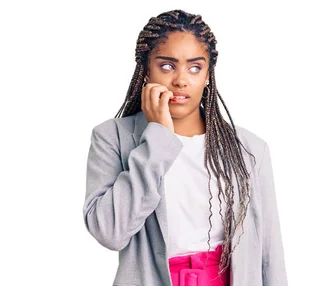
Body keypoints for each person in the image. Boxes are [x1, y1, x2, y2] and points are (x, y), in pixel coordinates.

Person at [83, 9, 287, 286]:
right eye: (167, 66)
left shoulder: (249, 150)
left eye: (195, 67)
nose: (180, 80)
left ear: (207, 75)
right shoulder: (112, 138)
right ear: (145, 70)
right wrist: (157, 139)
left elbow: (269, 254)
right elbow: (109, 232)